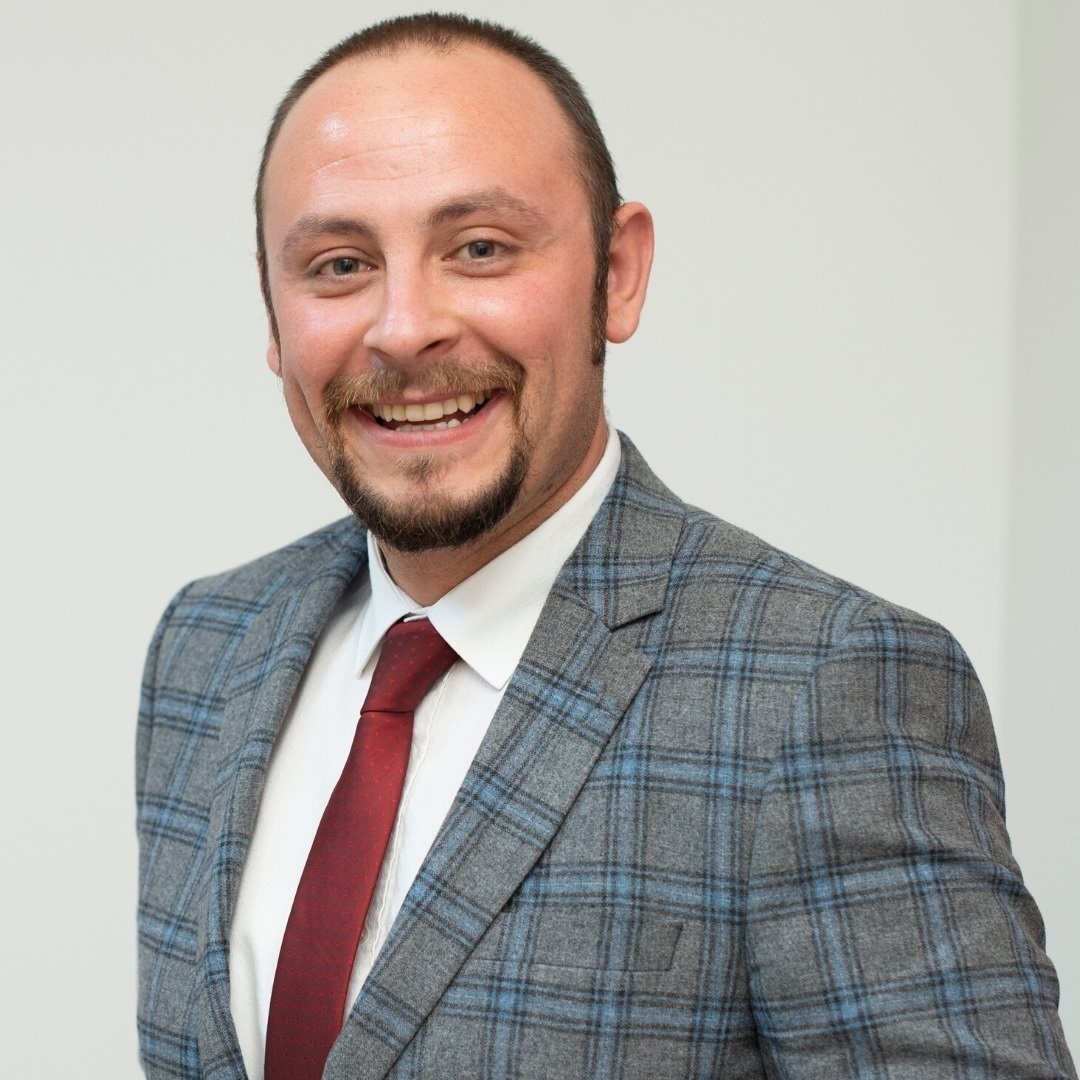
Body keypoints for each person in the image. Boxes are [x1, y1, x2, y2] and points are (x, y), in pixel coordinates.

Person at [136, 12, 1074, 1080]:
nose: (402, 328)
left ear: (618, 274)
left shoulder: (828, 689)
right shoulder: (206, 650)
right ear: (272, 310)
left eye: (479, 248)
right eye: (339, 264)